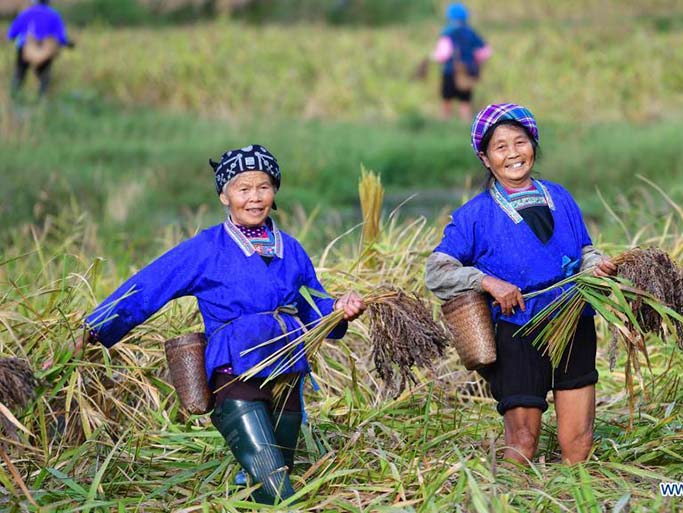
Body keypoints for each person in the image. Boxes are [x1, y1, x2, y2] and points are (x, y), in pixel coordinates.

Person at [78, 144, 366, 504]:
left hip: (288, 375)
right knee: (276, 487)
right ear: (224, 196)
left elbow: (314, 304)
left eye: (263, 187)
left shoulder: (290, 249)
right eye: (243, 189)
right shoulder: (206, 249)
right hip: (235, 374)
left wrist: (339, 308)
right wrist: (95, 328)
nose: (255, 198)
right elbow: (151, 285)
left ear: (274, 191)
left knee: (263, 485)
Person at [425, 103, 617, 465]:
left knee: (578, 442)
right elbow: (436, 272)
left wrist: (597, 266)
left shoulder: (560, 197)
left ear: (533, 145)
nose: (513, 153)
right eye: (501, 147)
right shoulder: (474, 216)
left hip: (573, 321)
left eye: (520, 142)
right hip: (517, 329)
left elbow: (585, 250)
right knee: (522, 442)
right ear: (485, 158)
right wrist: (487, 282)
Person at [432, 3, 491, 122]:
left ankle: (445, 122)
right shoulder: (471, 33)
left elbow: (443, 54)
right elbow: (485, 52)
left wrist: (434, 57)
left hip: (450, 71)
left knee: (446, 99)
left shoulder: (448, 33)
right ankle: (466, 124)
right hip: (467, 72)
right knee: (465, 101)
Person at [6, 0, 73, 98]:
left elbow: (12, 32)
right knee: (44, 77)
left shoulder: (26, 13)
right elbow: (61, 36)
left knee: (19, 74)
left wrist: (11, 37)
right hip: (45, 51)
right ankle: (42, 99)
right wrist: (66, 43)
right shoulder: (54, 15)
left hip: (24, 47)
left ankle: (14, 97)